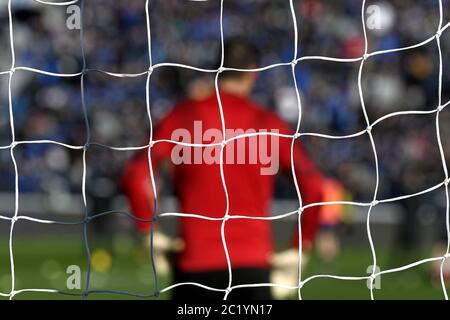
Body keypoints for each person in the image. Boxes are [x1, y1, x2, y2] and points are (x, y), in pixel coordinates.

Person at [121, 38, 324, 300]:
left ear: (216, 68)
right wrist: (300, 246)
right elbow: (315, 187)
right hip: (252, 267)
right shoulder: (268, 123)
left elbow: (135, 175)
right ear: (253, 72)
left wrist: (148, 232)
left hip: (194, 266)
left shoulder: (182, 116)